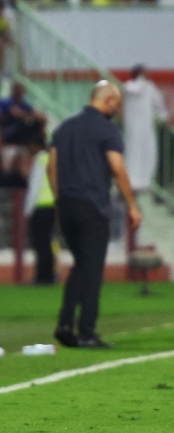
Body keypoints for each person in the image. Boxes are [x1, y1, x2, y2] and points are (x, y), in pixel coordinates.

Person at [48, 81, 141, 349]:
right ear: (107, 101)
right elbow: (117, 168)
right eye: (117, 105)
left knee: (81, 265)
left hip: (67, 204)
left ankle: (65, 325)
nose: (117, 110)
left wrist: (59, 199)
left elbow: (51, 167)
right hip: (92, 205)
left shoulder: (64, 128)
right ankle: (87, 331)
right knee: (93, 270)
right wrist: (132, 205)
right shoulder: (106, 130)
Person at [122, 64, 169, 193]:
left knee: (133, 156)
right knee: (146, 156)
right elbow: (160, 107)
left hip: (133, 130)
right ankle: (142, 183)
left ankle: (133, 182)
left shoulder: (126, 88)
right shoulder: (148, 88)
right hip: (144, 130)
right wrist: (162, 117)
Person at [23, 130, 55, 285]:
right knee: (47, 242)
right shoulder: (52, 158)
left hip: (40, 206)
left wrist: (27, 211)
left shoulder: (39, 160)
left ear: (35, 146)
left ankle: (42, 276)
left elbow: (34, 187)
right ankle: (48, 275)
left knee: (40, 243)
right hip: (52, 205)